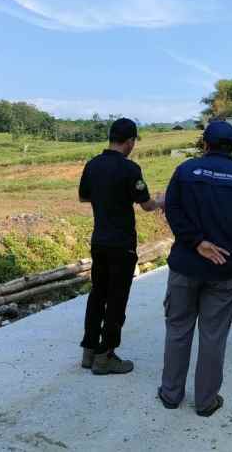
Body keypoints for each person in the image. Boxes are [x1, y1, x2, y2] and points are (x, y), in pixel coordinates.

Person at [159, 121, 232, 416]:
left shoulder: (186, 171)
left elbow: (172, 208)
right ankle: (206, 401)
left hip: (185, 265)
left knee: (178, 329)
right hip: (224, 269)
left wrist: (196, 242)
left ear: (205, 145)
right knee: (213, 336)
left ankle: (171, 394)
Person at [78, 118, 164, 375]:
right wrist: (162, 200)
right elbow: (147, 205)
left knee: (97, 295)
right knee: (117, 299)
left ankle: (89, 351)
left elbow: (83, 196)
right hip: (122, 245)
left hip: (99, 242)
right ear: (130, 141)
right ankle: (106, 356)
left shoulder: (92, 165)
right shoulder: (130, 169)